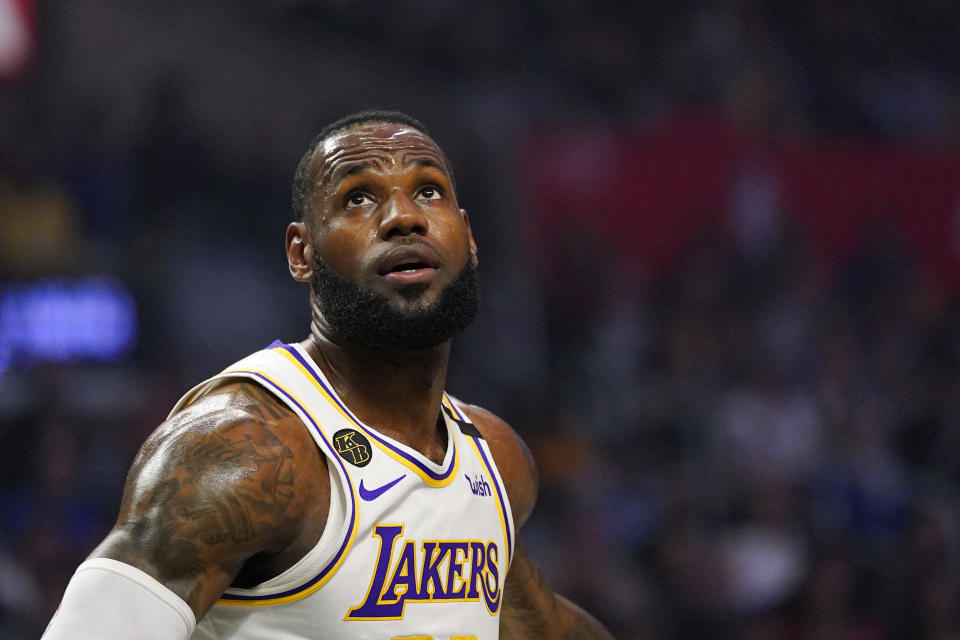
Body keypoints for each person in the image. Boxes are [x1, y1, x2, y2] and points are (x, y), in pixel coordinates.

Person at [43, 110, 613, 639]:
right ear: (301, 253)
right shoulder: (241, 449)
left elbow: (539, 626)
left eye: (428, 191)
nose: (404, 217)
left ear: (467, 236)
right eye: (359, 198)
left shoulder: (495, 458)